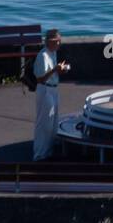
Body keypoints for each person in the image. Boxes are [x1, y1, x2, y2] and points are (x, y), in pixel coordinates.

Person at [32, 29, 70, 161]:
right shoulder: (43, 56)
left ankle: (48, 151)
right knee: (44, 123)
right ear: (49, 41)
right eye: (56, 41)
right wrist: (55, 69)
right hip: (45, 89)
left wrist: (60, 70)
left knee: (52, 122)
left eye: (59, 41)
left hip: (53, 89)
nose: (59, 43)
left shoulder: (52, 53)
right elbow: (40, 79)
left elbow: (53, 73)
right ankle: (39, 154)